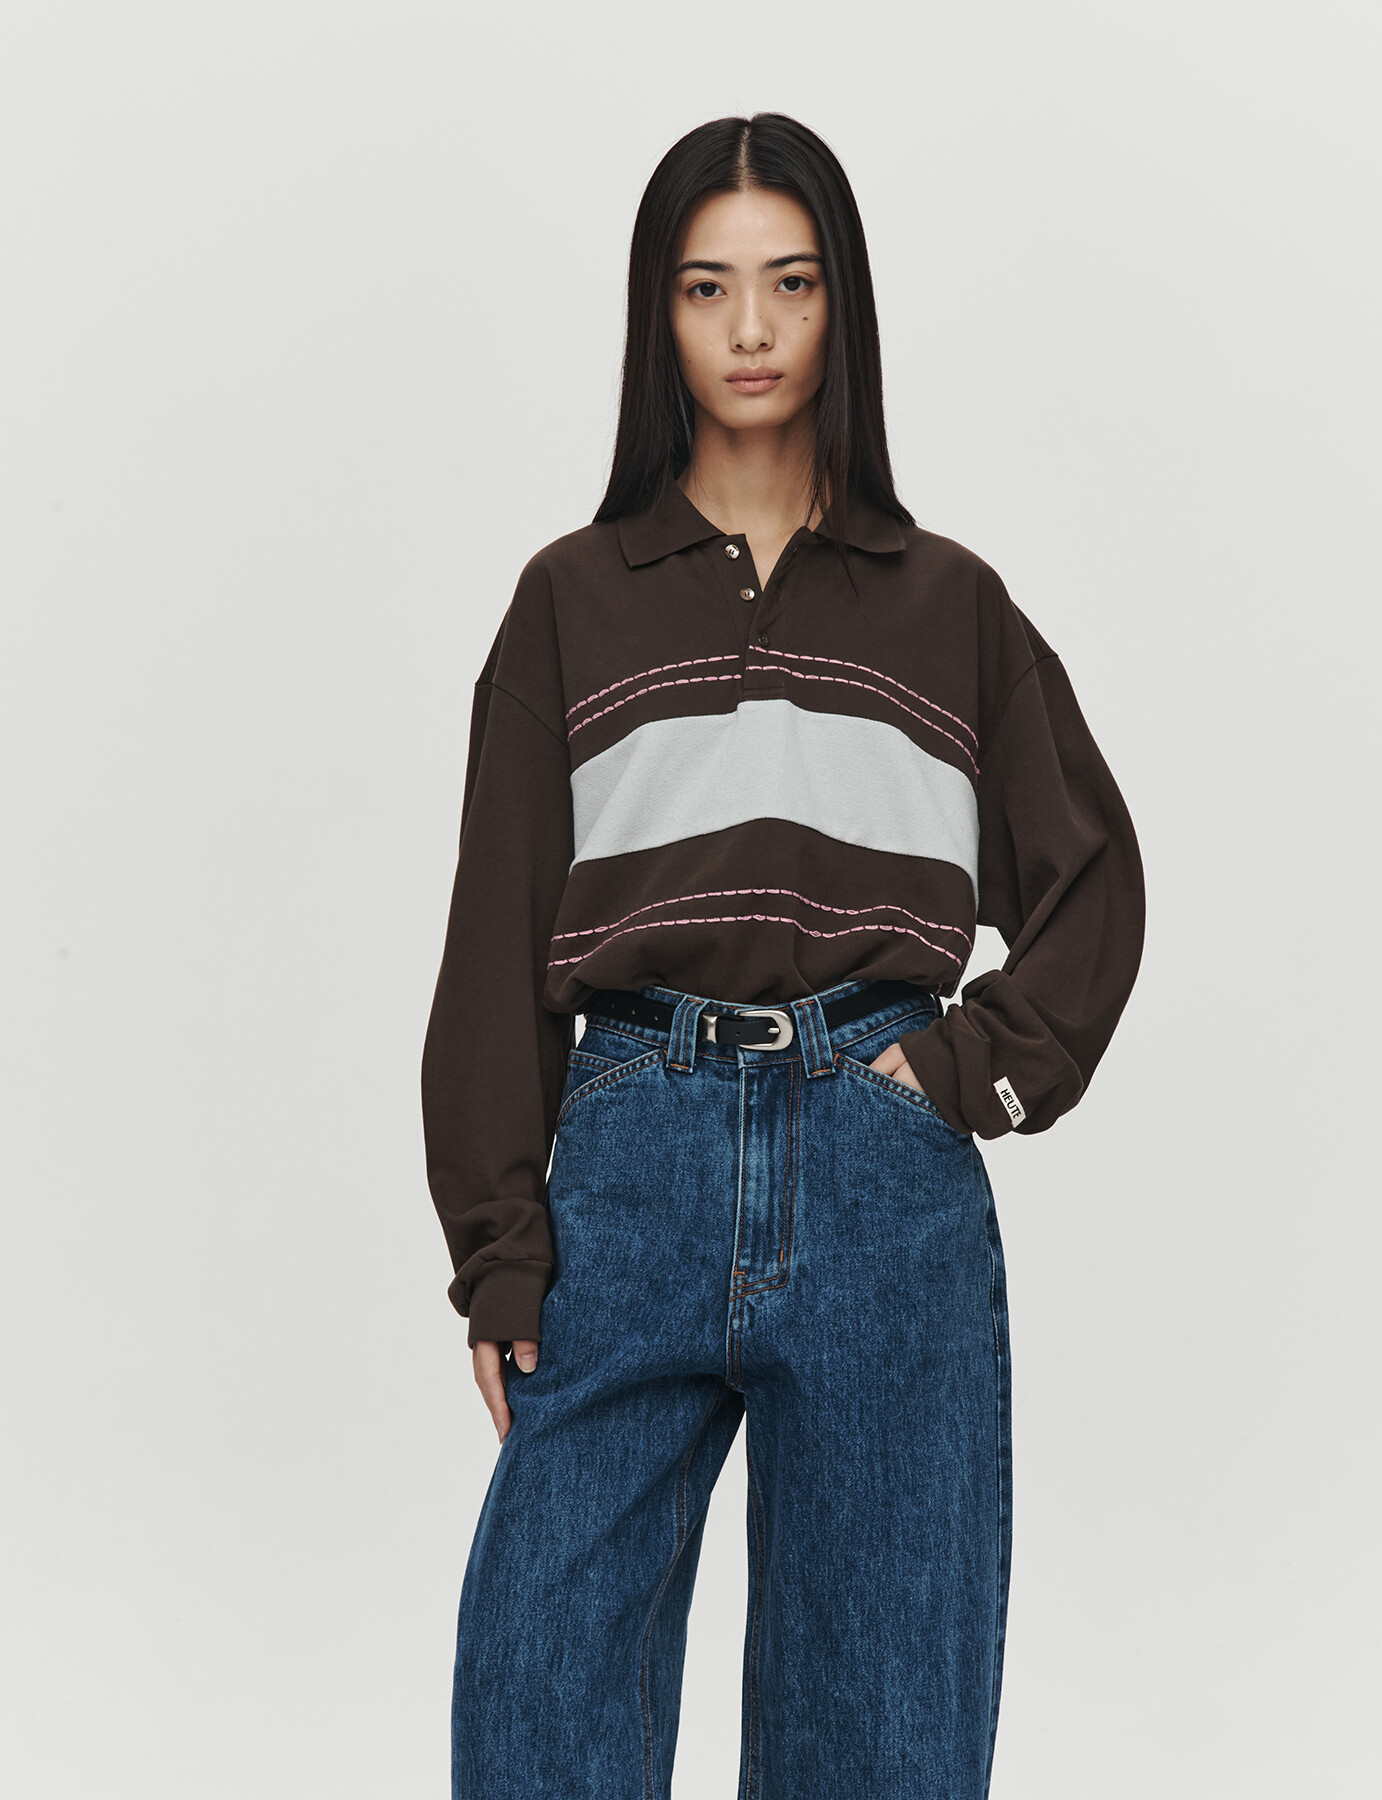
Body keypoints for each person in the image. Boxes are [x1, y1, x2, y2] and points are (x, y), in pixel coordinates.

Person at [422, 111, 1146, 1800]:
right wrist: (499, 1251)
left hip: (884, 1168)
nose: (750, 329)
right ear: (657, 315)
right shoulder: (569, 603)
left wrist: (960, 1074)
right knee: (540, 1698)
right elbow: (493, 943)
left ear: (842, 308)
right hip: (631, 1160)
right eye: (707, 287)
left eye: (791, 283)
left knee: (880, 1737)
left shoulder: (948, 606)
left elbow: (1094, 881)